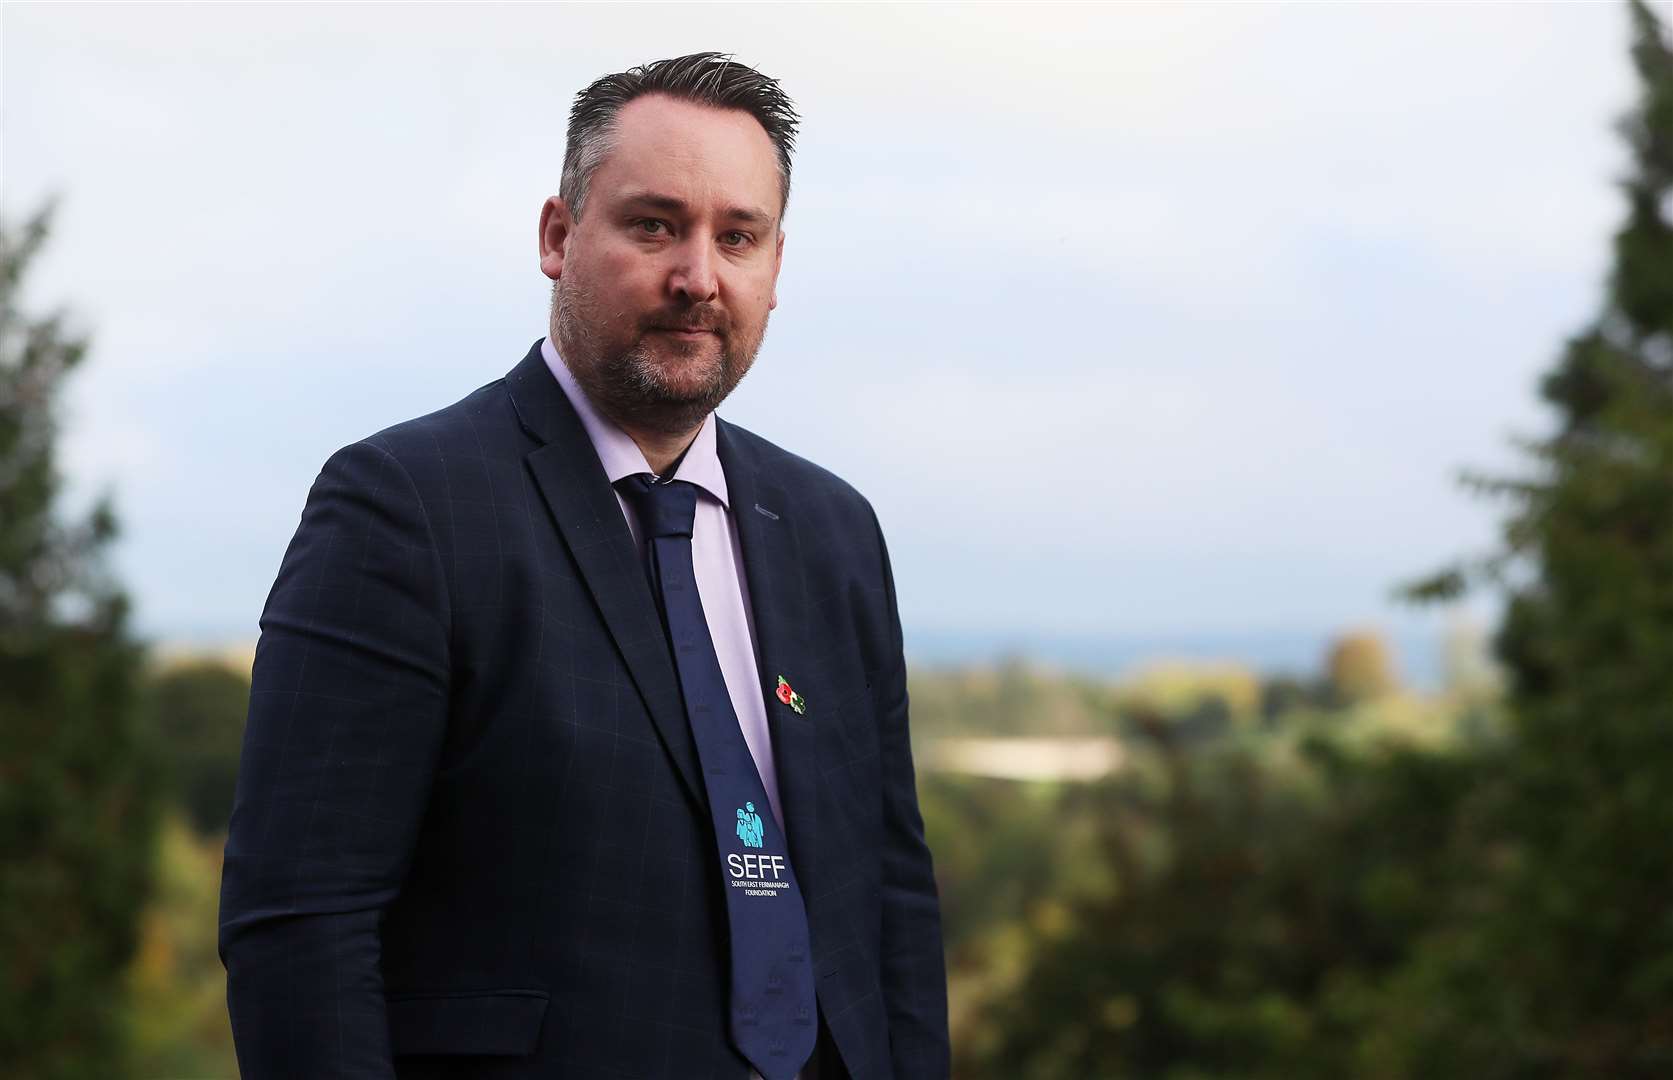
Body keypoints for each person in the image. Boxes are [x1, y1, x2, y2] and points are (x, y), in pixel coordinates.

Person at [217, 52, 949, 1080]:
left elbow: (891, 906)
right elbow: (300, 926)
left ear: (774, 269)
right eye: (654, 225)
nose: (697, 275)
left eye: (735, 236)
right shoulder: (404, 508)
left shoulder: (830, 530)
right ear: (559, 237)